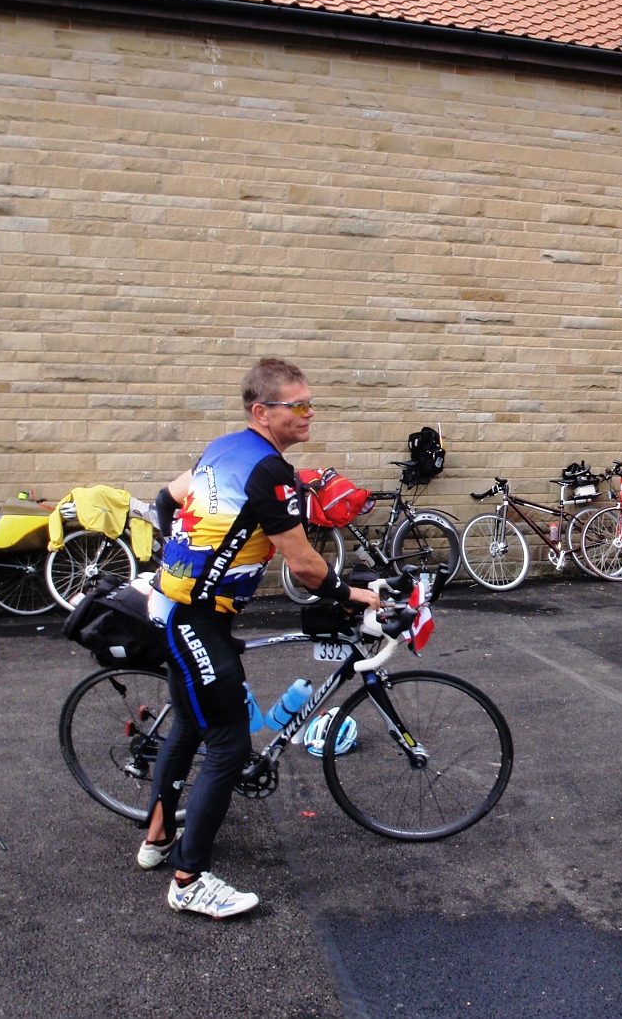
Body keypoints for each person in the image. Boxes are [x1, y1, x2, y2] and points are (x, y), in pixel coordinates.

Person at [139, 358, 380, 920]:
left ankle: (155, 840)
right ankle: (189, 879)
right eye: (297, 405)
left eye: (309, 402)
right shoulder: (270, 472)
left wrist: (175, 555)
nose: (309, 412)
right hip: (194, 617)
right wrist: (359, 596)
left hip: (179, 606)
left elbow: (166, 497)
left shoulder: (224, 448)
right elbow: (308, 570)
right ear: (262, 412)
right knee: (229, 743)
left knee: (189, 722)